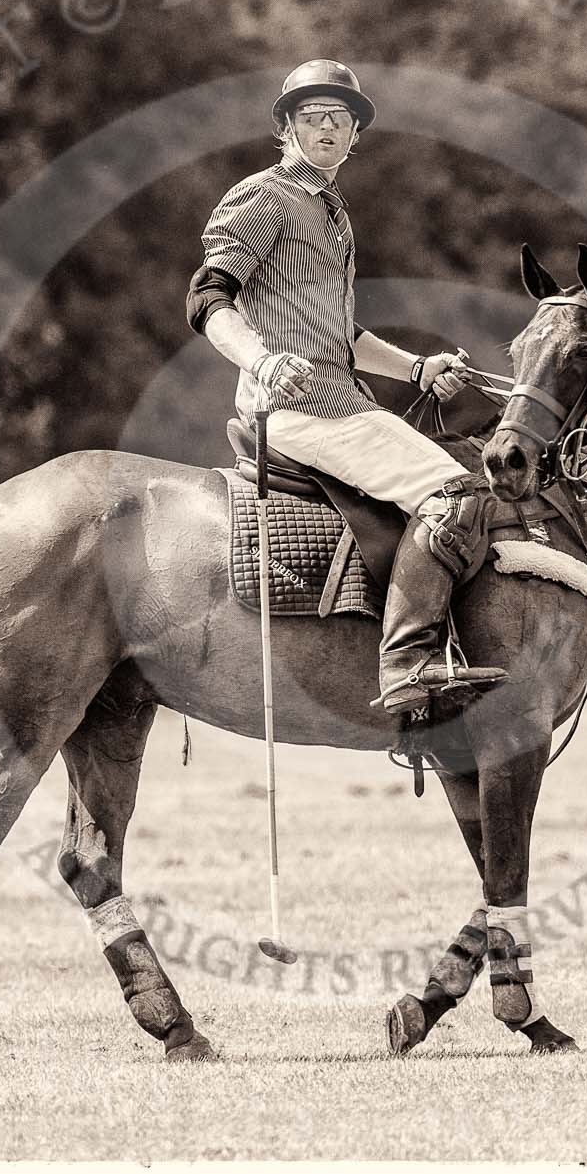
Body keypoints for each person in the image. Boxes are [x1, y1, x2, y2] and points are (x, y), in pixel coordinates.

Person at [185, 58, 503, 720]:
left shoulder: (331, 210)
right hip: (295, 405)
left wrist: (416, 368)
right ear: (287, 127)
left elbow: (340, 332)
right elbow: (208, 296)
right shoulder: (262, 197)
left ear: (355, 134)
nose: (327, 128)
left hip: (341, 395)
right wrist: (262, 361)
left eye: (340, 118)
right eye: (312, 117)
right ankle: (408, 664)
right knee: (460, 491)